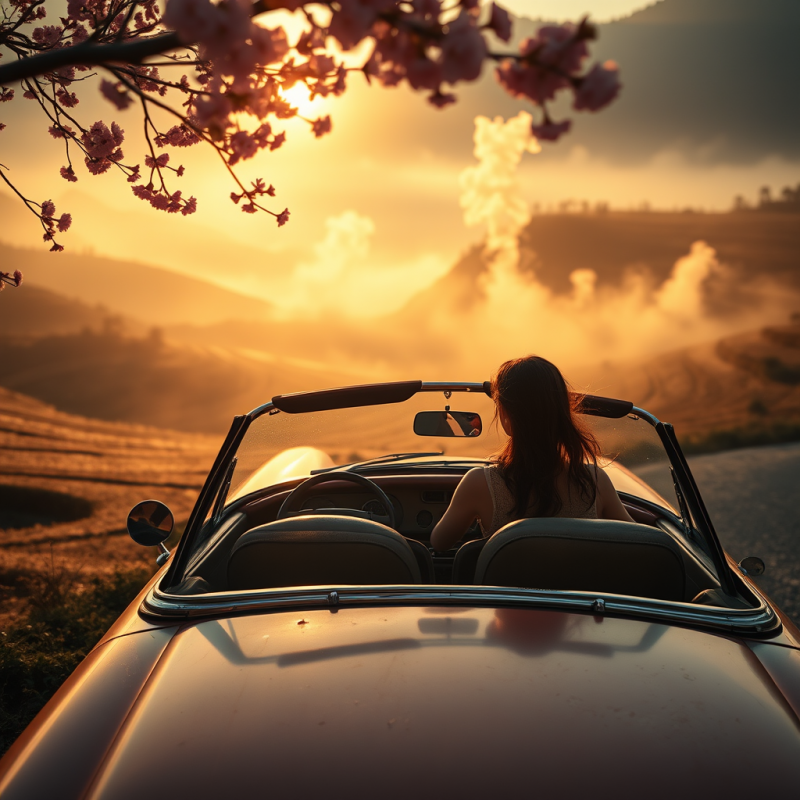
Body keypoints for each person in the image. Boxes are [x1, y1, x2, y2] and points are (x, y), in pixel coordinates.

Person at [430, 355, 633, 552]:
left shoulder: (479, 483)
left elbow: (439, 543)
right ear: (563, 411)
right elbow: (644, 541)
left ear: (506, 414)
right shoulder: (594, 480)